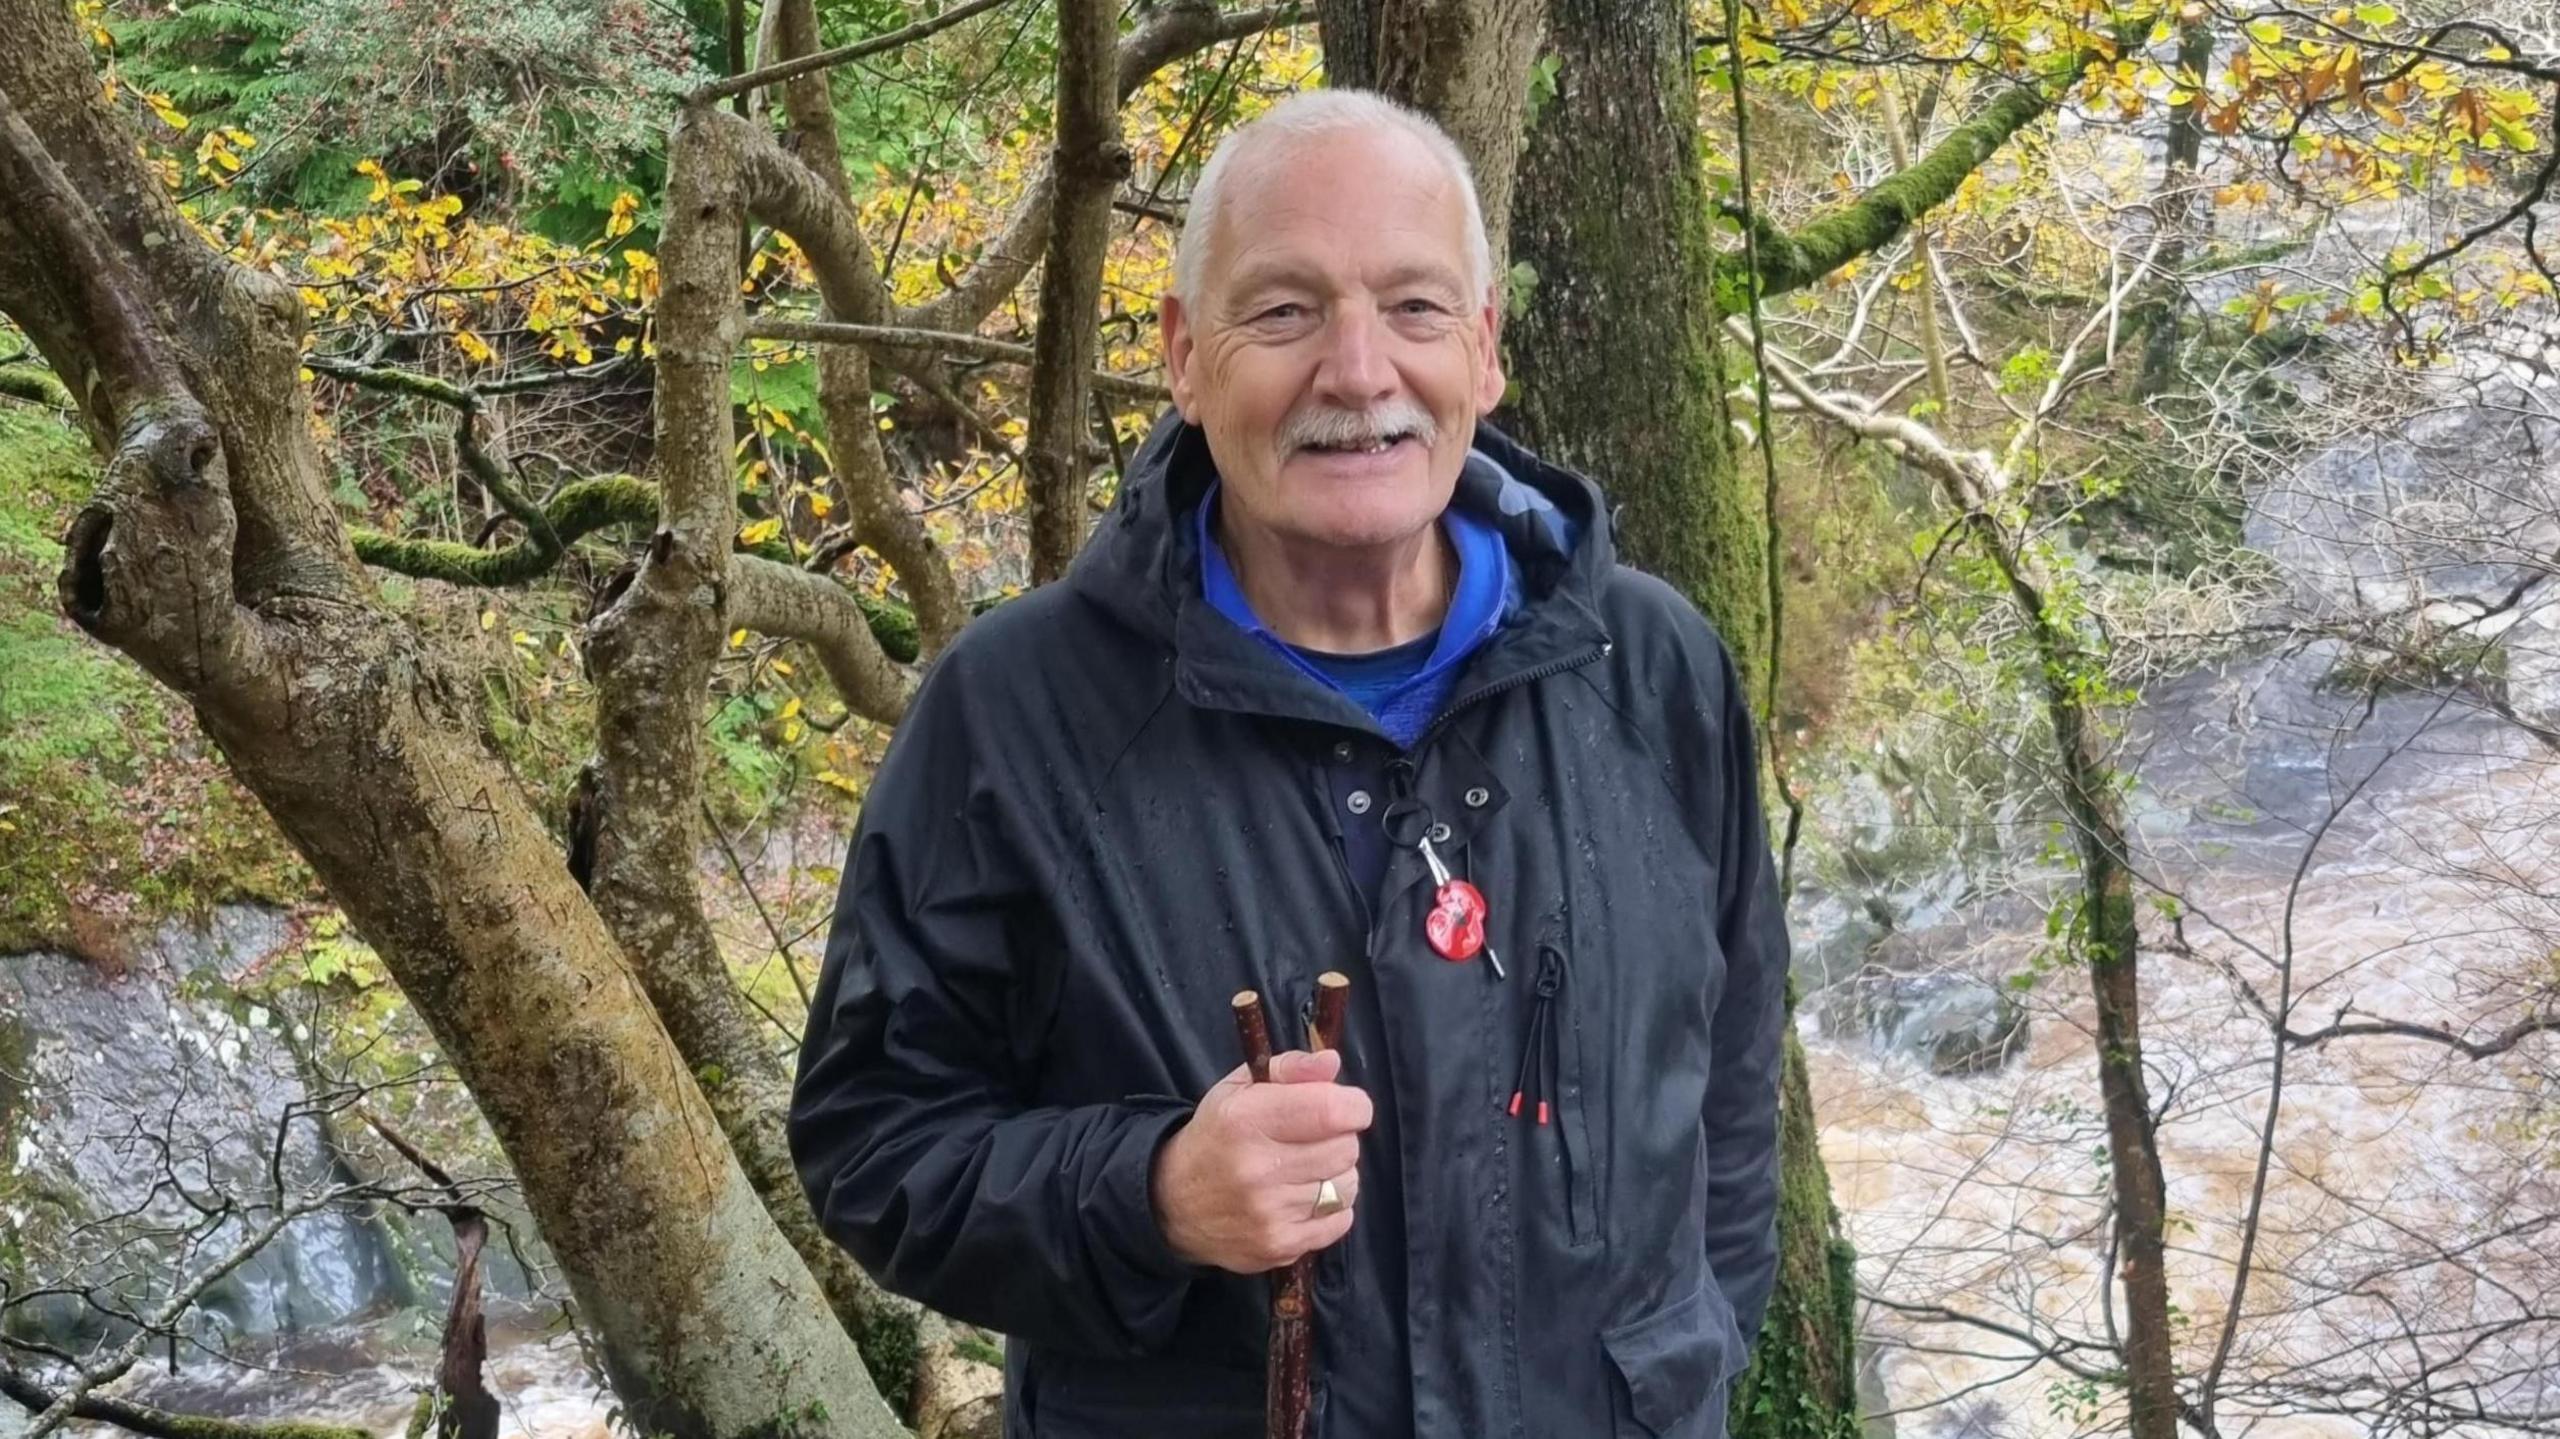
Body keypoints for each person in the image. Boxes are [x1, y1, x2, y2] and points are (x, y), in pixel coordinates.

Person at [789, 88, 1790, 1439]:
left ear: (1485, 351)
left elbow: (1727, 1094)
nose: (1359, 371)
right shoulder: (1019, 713)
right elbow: (871, 1143)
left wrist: (1697, 1371)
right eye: (1285, 312)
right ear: (1187, 358)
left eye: (1417, 309)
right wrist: (1148, 1193)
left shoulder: (1648, 669)